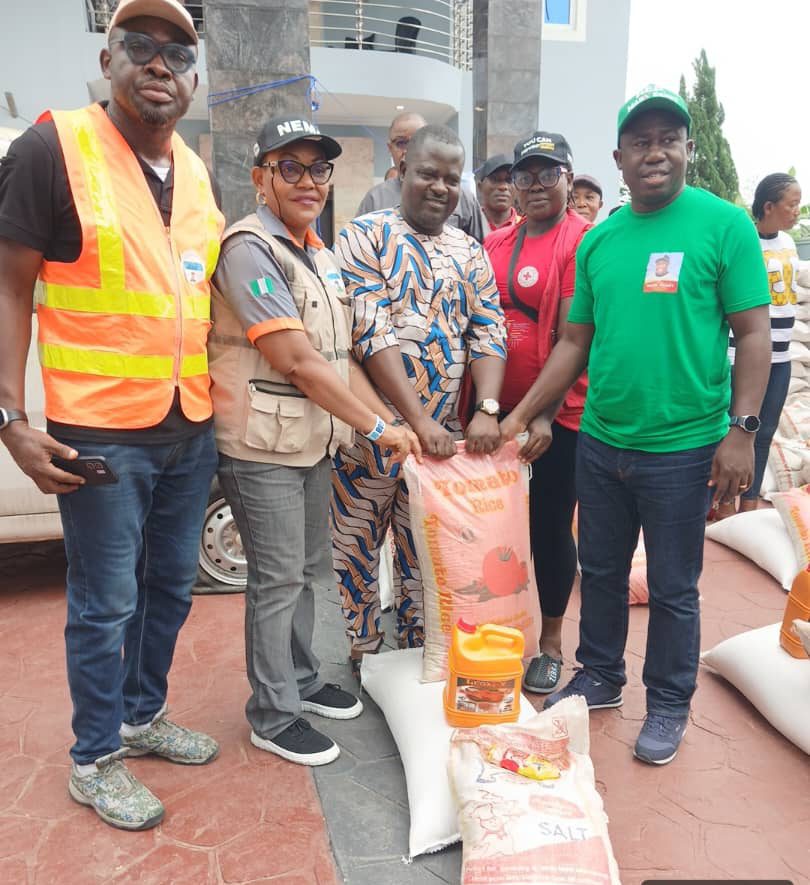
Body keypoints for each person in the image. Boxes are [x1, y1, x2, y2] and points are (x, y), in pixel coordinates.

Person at [0, 0, 225, 829]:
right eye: (140, 45)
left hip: (186, 425)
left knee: (168, 586)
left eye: (178, 51)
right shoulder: (53, 147)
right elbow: (8, 286)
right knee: (104, 603)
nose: (159, 63)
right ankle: (95, 758)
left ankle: (141, 714)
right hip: (94, 432)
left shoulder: (198, 175)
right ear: (108, 60)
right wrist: (8, 418)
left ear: (194, 79)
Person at [501, 85, 771, 765]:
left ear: (688, 148)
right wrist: (521, 415)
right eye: (641, 142)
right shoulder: (602, 243)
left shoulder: (724, 224)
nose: (656, 152)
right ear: (619, 158)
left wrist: (743, 429)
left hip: (684, 447)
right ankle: (599, 674)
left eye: (668, 139)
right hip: (600, 440)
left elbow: (754, 332)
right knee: (601, 568)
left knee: (675, 586)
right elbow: (572, 344)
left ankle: (670, 700)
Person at [208, 115, 420, 766]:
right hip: (261, 446)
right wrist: (377, 426)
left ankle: (300, 680)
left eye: (319, 168)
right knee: (275, 580)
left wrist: (382, 417)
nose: (309, 181)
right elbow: (298, 360)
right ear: (260, 178)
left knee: (307, 572)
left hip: (310, 442)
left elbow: (340, 353)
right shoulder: (249, 248)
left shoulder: (317, 251)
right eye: (290, 167)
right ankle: (272, 714)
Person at [333, 124, 507, 673]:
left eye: (452, 179)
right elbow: (370, 332)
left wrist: (486, 408)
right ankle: (363, 653)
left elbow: (488, 332)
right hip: (371, 435)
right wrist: (413, 420)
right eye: (428, 173)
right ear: (402, 170)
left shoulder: (470, 252)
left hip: (440, 450)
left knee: (425, 553)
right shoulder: (363, 236)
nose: (440, 187)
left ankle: (413, 653)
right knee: (358, 545)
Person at [484, 132, 591, 694]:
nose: (534, 186)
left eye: (548, 174)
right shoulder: (499, 242)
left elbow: (577, 338)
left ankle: (549, 643)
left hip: (558, 421)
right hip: (497, 415)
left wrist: (538, 416)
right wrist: (486, 409)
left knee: (550, 526)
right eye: (524, 176)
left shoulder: (583, 244)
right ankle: (496, 629)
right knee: (500, 528)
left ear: (569, 179)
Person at [715, 173, 802, 518]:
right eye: (791, 204)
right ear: (769, 206)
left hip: (780, 356)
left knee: (763, 432)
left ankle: (749, 506)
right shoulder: (743, 240)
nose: (796, 211)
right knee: (732, 429)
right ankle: (723, 503)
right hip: (741, 356)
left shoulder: (790, 245)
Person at [356, 111, 486, 241]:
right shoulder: (375, 199)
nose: (409, 149)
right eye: (401, 143)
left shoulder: (463, 199)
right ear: (390, 148)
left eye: (418, 140)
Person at [476, 153, 518, 236]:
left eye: (509, 180)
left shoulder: (526, 229)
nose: (503, 187)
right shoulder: (469, 226)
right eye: (495, 179)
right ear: (480, 187)